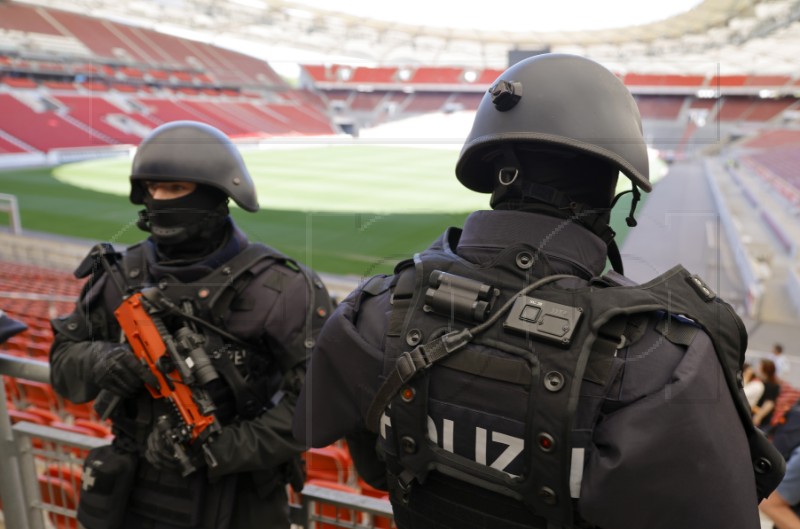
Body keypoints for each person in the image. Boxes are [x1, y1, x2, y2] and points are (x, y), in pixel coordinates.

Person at [293, 53, 782, 529]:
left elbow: (372, 468)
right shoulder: (669, 361)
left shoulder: (373, 310)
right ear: (614, 185)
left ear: (493, 171)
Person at [49, 121, 332, 529]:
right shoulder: (119, 274)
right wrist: (102, 360)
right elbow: (62, 365)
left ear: (219, 194)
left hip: (240, 500)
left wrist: (222, 448)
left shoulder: (283, 287)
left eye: (176, 188)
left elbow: (316, 402)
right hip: (133, 494)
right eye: (153, 188)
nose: (160, 200)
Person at [754, 359, 781, 430]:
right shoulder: (761, 382)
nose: (756, 369)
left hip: (761, 420)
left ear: (765, 370)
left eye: (759, 367)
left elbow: (769, 403)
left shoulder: (772, 385)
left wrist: (758, 417)